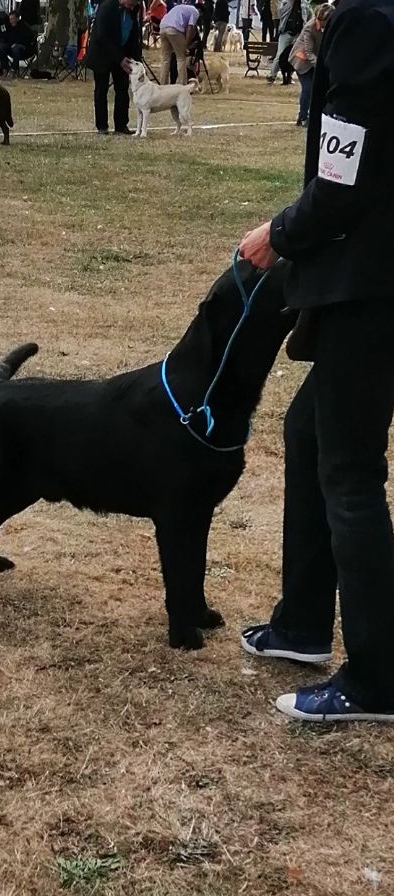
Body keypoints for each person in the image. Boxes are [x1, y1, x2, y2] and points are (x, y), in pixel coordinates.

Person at [239, 0, 394, 724]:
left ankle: (377, 677)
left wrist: (280, 233)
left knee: (350, 472)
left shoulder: (370, 24)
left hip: (369, 284)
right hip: (372, 278)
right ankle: (302, 625)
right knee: (308, 434)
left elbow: (342, 183)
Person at [85, 0, 142, 136]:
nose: (132, 7)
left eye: (135, 5)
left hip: (122, 54)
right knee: (101, 89)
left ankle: (121, 125)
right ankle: (102, 126)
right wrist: (119, 58)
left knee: (122, 89)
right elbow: (103, 36)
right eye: (132, 3)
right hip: (102, 54)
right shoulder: (107, 7)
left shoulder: (133, 10)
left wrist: (135, 59)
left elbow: (134, 36)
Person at [289, 2, 332, 127]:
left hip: (316, 60)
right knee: (308, 89)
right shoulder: (310, 27)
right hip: (301, 61)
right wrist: (321, 66)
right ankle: (302, 117)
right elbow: (308, 52)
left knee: (319, 89)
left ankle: (318, 116)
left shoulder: (330, 26)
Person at [266, 0, 310, 85]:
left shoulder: (304, 3)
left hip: (298, 34)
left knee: (295, 56)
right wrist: (290, 3)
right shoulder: (286, 2)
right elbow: (280, 13)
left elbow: (308, 16)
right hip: (285, 33)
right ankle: (272, 76)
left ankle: (289, 76)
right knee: (280, 55)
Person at [159, 0, 198, 84]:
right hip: (174, 28)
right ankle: (182, 84)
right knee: (181, 58)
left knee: (165, 59)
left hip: (162, 27)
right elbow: (190, 28)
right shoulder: (195, 11)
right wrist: (186, 45)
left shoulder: (180, 7)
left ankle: (163, 84)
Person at [0, 10, 36, 75]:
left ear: (17, 18)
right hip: (11, 47)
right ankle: (5, 67)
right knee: (1, 47)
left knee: (16, 48)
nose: (11, 21)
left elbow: (29, 38)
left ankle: (14, 69)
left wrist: (17, 43)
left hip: (23, 49)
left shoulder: (24, 26)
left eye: (13, 19)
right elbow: (4, 36)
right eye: (10, 19)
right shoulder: (8, 26)